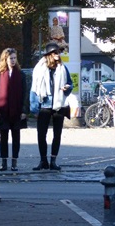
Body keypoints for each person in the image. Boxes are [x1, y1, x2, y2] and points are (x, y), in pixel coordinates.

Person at [30, 42, 72, 171]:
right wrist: (34, 107)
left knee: (57, 134)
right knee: (41, 134)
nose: (58, 55)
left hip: (59, 105)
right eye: (55, 52)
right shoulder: (40, 68)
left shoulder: (63, 68)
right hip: (45, 104)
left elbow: (69, 83)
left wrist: (67, 88)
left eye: (58, 52)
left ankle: (53, 160)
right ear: (49, 54)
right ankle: (43, 160)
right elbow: (34, 88)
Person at [0, 48, 29, 171]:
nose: (13, 60)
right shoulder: (0, 74)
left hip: (17, 109)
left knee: (16, 136)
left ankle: (14, 161)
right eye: (11, 58)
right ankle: (4, 161)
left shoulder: (21, 74)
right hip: (3, 109)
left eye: (14, 58)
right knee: (3, 136)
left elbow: (24, 93)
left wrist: (24, 110)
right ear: (5, 59)